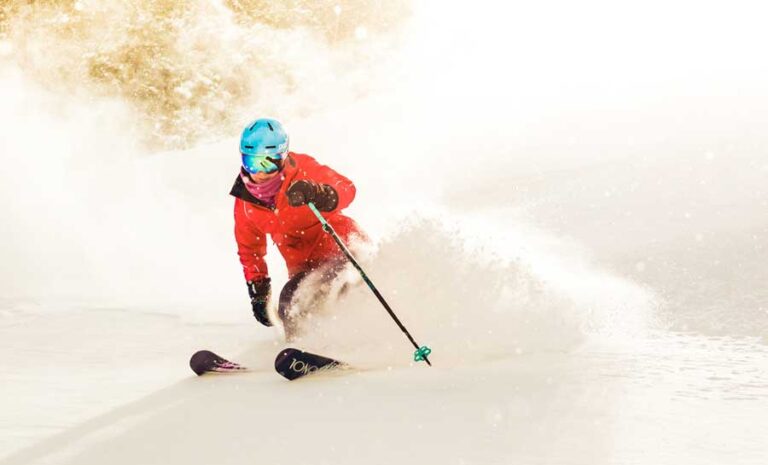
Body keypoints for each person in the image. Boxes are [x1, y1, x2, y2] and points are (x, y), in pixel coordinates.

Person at [230, 118, 365, 339]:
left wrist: (319, 193)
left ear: (283, 158)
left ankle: (358, 338)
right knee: (291, 303)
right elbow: (249, 250)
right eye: (252, 162)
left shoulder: (302, 169)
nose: (260, 172)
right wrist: (259, 291)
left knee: (339, 290)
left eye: (269, 163)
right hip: (305, 268)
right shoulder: (245, 203)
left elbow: (347, 188)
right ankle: (302, 349)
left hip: (344, 249)